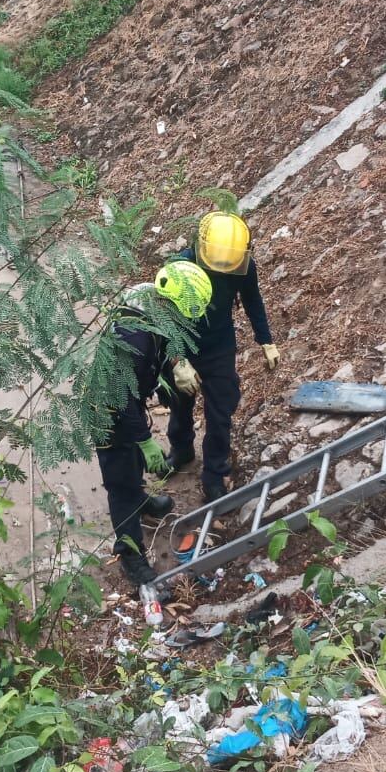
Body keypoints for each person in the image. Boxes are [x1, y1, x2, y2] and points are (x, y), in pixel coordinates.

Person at [96, 260, 213, 588]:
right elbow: (121, 400)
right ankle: (130, 554)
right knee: (120, 482)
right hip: (108, 408)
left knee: (132, 466)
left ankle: (141, 500)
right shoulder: (133, 338)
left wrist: (176, 362)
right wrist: (146, 441)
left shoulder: (151, 300)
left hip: (128, 393)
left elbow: (168, 335)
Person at [166, 211, 279, 504]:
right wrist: (178, 361)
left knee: (220, 413)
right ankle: (181, 449)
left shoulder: (241, 264)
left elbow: (253, 299)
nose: (221, 268)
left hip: (219, 348)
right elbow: (162, 318)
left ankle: (214, 475)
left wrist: (265, 340)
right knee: (179, 403)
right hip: (183, 343)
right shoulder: (180, 267)